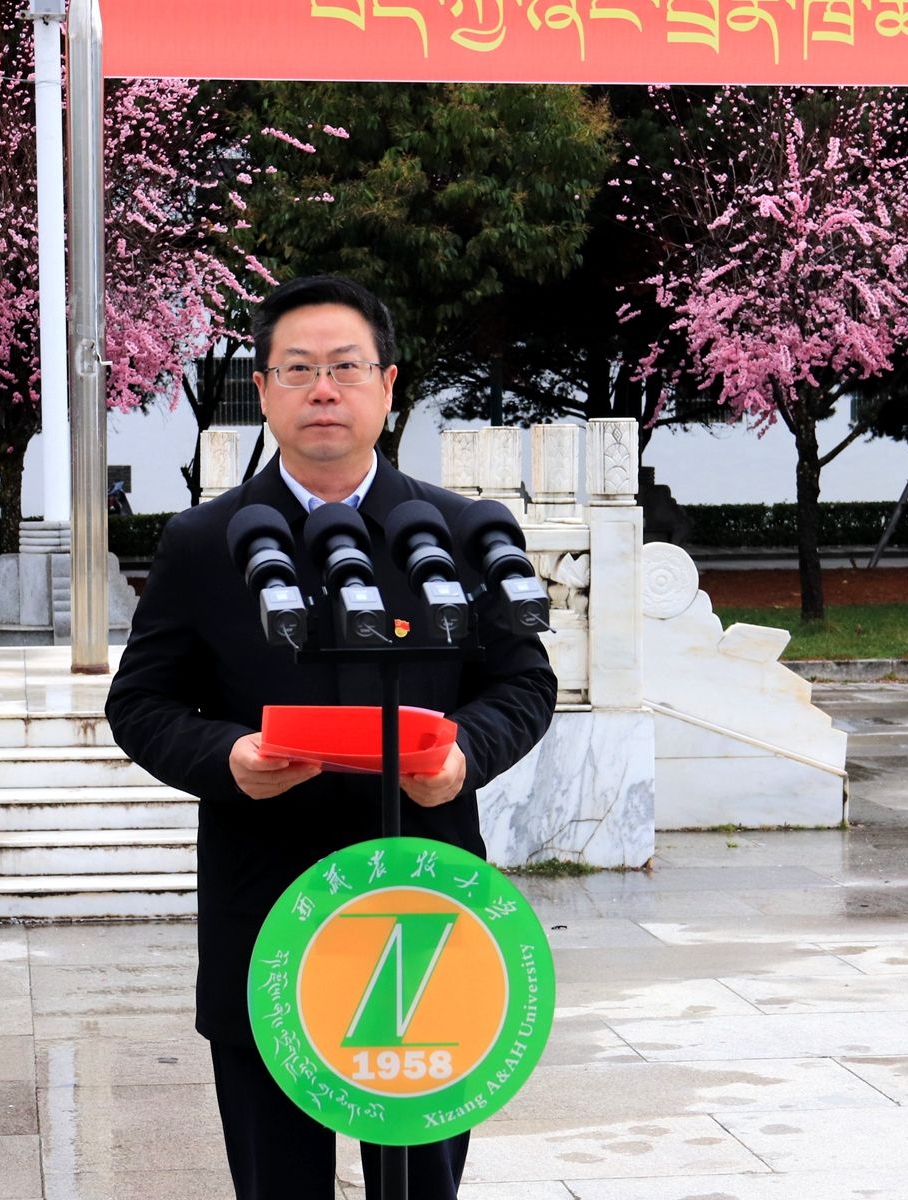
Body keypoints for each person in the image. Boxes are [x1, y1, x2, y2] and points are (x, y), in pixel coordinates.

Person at [104, 276, 556, 1200]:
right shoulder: (206, 541)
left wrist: (464, 755)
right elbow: (141, 703)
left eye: (346, 368)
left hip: (425, 901)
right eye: (298, 370)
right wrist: (228, 760)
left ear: (387, 386)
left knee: (420, 1181)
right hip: (268, 905)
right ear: (262, 390)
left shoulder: (459, 534)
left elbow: (524, 683)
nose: (323, 391)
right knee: (279, 1179)